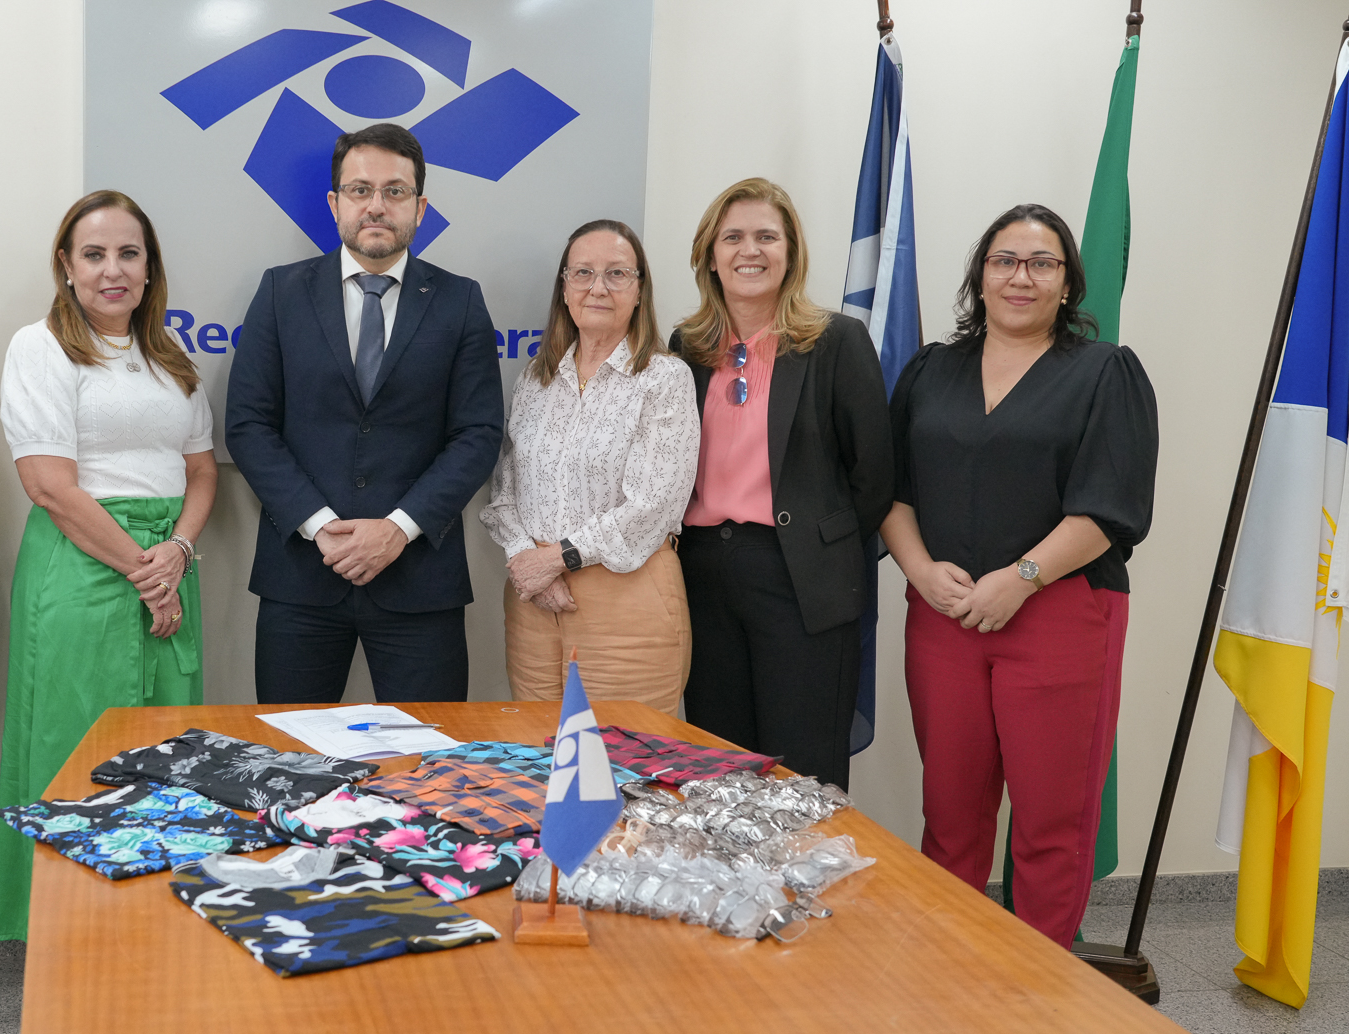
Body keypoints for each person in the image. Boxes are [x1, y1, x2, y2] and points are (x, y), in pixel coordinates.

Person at [882, 204, 1157, 946]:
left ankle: (1039, 996)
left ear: (1068, 284)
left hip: (1062, 616)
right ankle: (951, 972)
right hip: (943, 616)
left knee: (1050, 822)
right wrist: (918, 568)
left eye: (1042, 263)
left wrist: (1023, 577)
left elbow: (1112, 505)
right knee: (950, 813)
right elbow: (891, 492)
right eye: (1004, 260)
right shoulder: (930, 370)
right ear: (980, 274)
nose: (1021, 277)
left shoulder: (1105, 373)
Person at [0, 190, 217, 940]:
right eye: (94, 254)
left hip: (170, 564)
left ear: (150, 269)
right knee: (75, 745)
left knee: (166, 748)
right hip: (84, 566)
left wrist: (176, 551)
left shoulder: (171, 357)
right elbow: (49, 485)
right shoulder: (40, 346)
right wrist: (143, 569)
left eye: (129, 254)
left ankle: (146, 926)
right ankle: (68, 933)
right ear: (66, 266)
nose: (112, 270)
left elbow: (203, 472)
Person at [225, 123, 502, 703]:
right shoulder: (280, 292)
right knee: (290, 764)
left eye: (395, 191)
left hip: (420, 581)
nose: (377, 206)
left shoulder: (461, 301)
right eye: (359, 190)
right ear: (334, 204)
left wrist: (397, 530)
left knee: (430, 767)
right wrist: (320, 525)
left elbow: (477, 434)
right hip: (301, 578)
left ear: (420, 208)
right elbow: (249, 425)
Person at [669, 178, 893, 789]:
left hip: (801, 578)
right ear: (709, 253)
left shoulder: (835, 341)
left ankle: (809, 888)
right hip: (704, 575)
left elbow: (874, 474)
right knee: (719, 764)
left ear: (790, 251)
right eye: (734, 236)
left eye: (767, 236)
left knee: (802, 769)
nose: (751, 250)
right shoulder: (686, 348)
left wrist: (824, 545)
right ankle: (730, 884)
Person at [481, 220, 696, 713]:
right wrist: (525, 558)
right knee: (536, 760)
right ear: (564, 287)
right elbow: (504, 488)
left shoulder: (664, 378)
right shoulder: (536, 378)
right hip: (533, 598)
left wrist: (558, 558)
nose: (598, 287)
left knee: (626, 771)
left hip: (627, 601)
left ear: (640, 290)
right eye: (583, 273)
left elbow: (655, 503)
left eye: (617, 273)